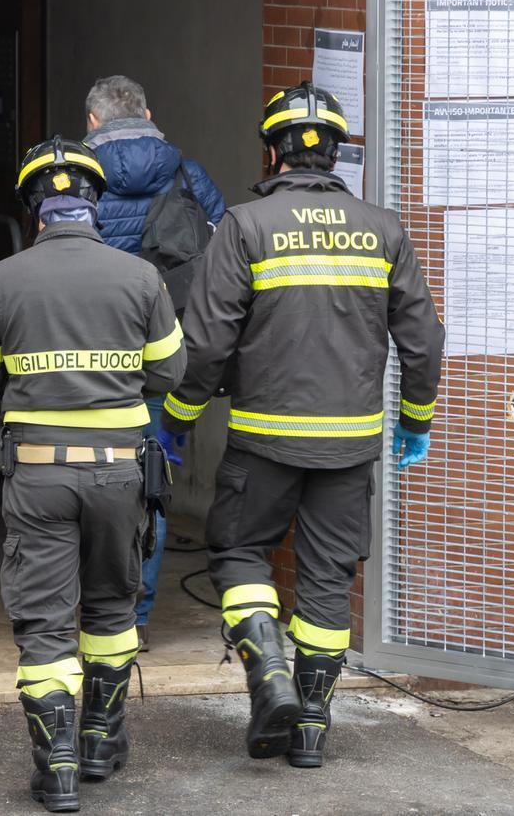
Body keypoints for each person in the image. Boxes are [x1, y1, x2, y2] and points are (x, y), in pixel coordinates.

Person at [158, 82, 444, 767]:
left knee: (235, 551)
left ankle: (270, 677)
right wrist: (414, 419)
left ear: (273, 151)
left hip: (263, 441)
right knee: (324, 580)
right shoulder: (385, 229)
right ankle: (311, 729)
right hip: (349, 447)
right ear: (339, 153)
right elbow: (424, 340)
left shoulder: (244, 226)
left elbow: (206, 343)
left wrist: (177, 417)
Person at [0, 136, 185, 812]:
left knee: (45, 624)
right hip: (119, 473)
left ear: (35, 207)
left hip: (38, 475)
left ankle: (55, 764)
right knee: (112, 606)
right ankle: (101, 740)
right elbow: (172, 371)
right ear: (94, 201)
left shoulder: (0, 280)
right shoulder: (140, 277)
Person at [83, 74, 226, 650]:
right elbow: (222, 262)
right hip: (167, 355)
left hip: (87, 352)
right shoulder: (189, 175)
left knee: (80, 476)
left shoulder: (75, 177)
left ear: (92, 122)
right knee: (151, 480)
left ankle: (95, 606)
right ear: (149, 112)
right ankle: (135, 618)